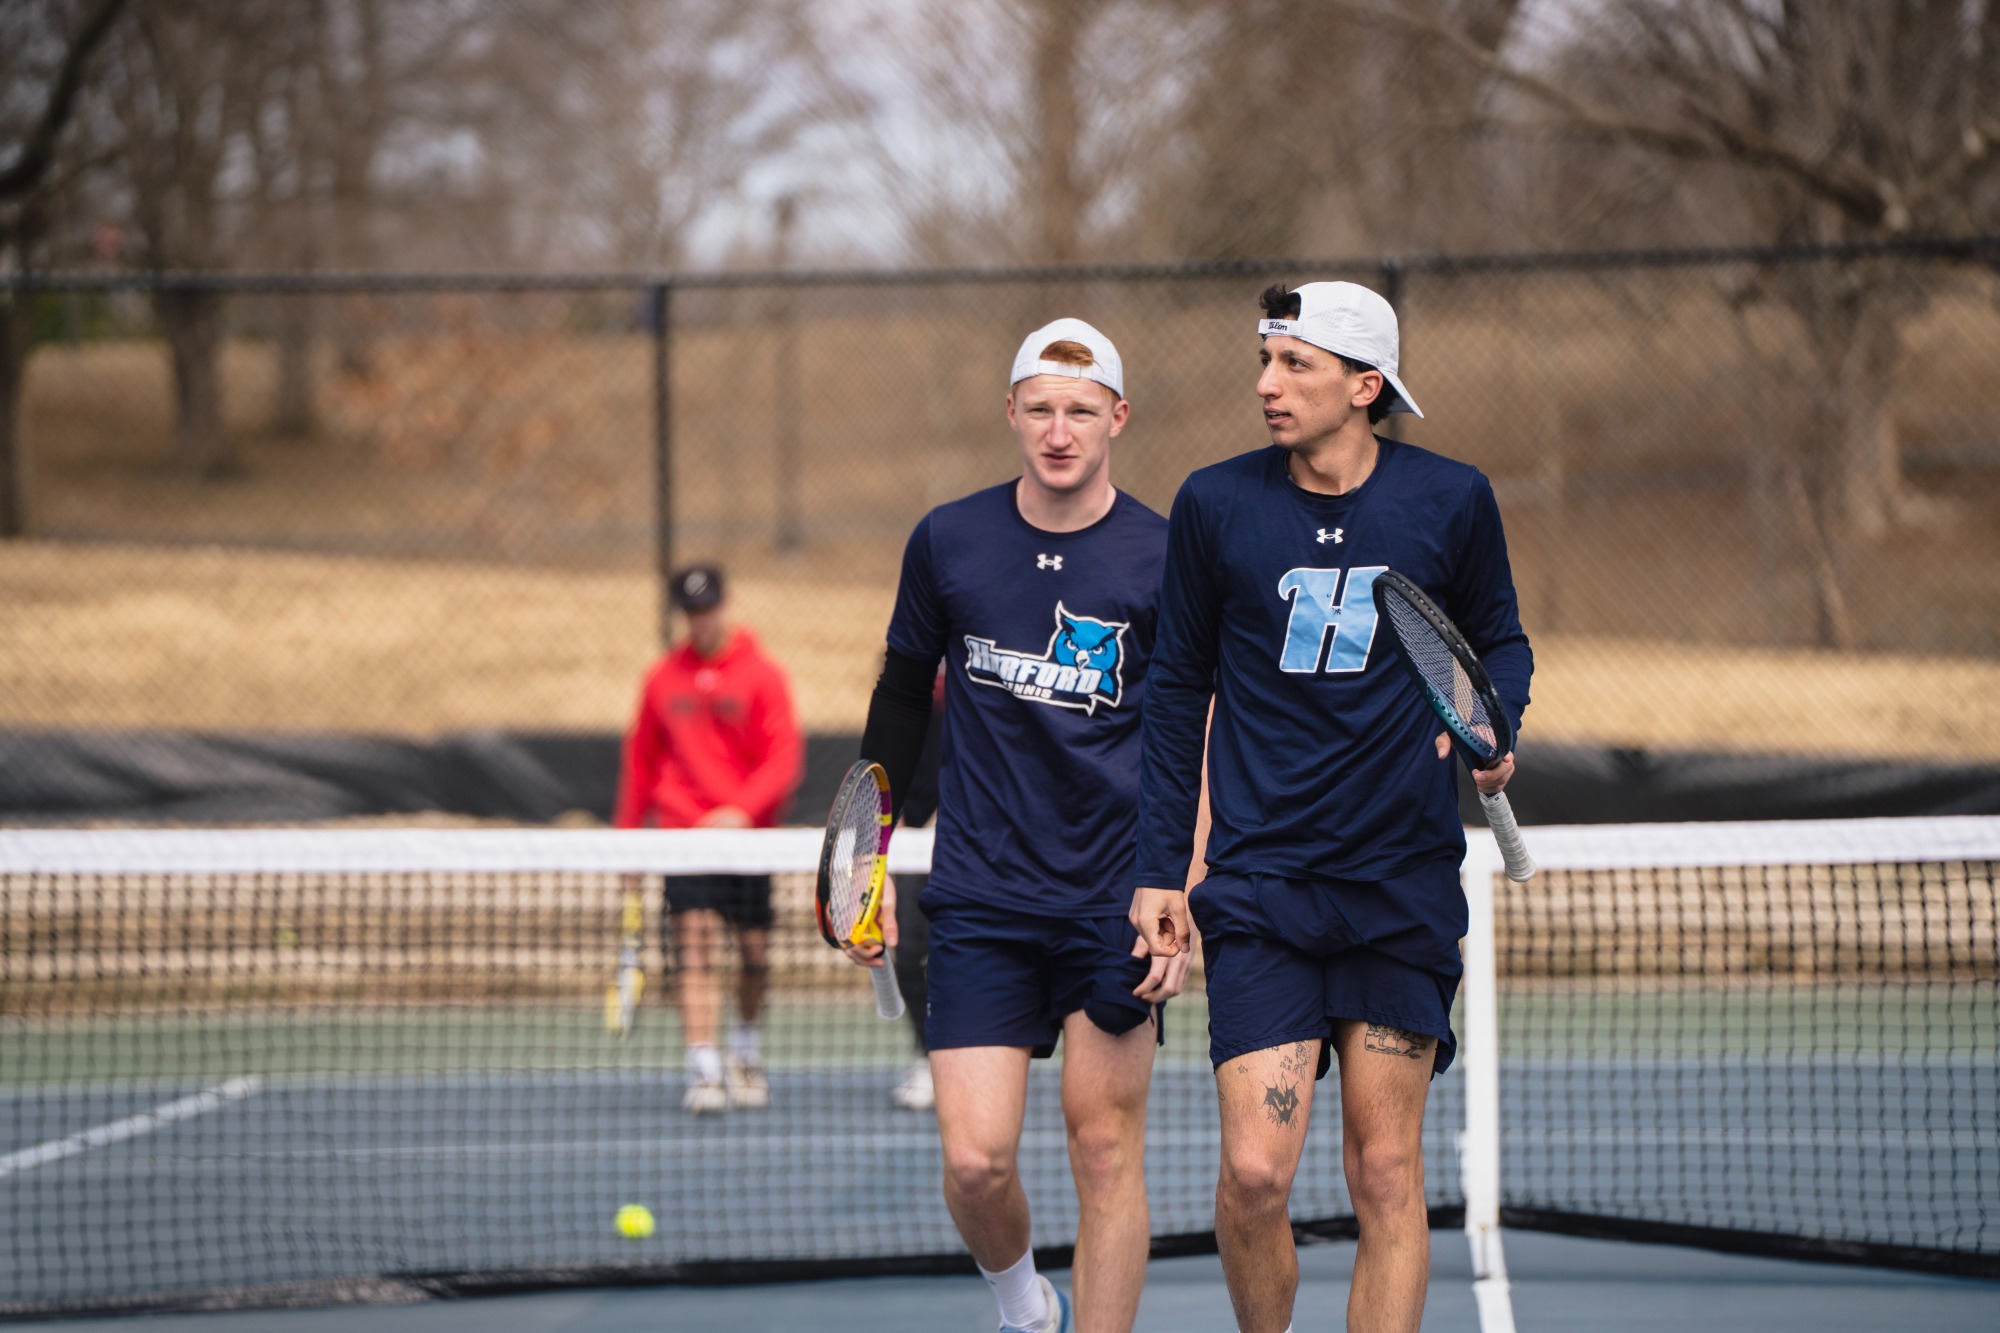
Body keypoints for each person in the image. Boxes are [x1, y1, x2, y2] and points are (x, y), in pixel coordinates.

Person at [1129, 282, 1532, 1333]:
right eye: (1263, 362)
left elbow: (1500, 640)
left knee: (1386, 1170)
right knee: (1256, 1174)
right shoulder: (1215, 504)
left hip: (1398, 885)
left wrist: (1499, 728)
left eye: (1294, 365)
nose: (1267, 385)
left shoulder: (1450, 499)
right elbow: (1174, 693)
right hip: (1261, 886)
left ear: (1364, 385)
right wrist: (1159, 868)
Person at [848, 319, 1194, 1333]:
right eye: (1039, 408)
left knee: (1102, 1150)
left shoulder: (1164, 554)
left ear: (1116, 419)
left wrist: (1183, 886)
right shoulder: (947, 540)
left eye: (1080, 410)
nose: (1058, 429)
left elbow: (1195, 730)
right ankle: (1023, 1305)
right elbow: (901, 699)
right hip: (979, 899)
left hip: (1113, 899)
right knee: (973, 1158)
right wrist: (861, 864)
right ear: (1010, 412)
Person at [614, 565, 804, 1115]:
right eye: (691, 612)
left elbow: (784, 758)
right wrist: (626, 842)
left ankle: (744, 1052)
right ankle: (704, 1069)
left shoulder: (764, 675)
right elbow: (641, 764)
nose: (701, 621)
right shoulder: (660, 679)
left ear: (726, 604)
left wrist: (741, 812)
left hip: (748, 844)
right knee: (693, 947)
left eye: (708, 608)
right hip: (684, 838)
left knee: (755, 955)